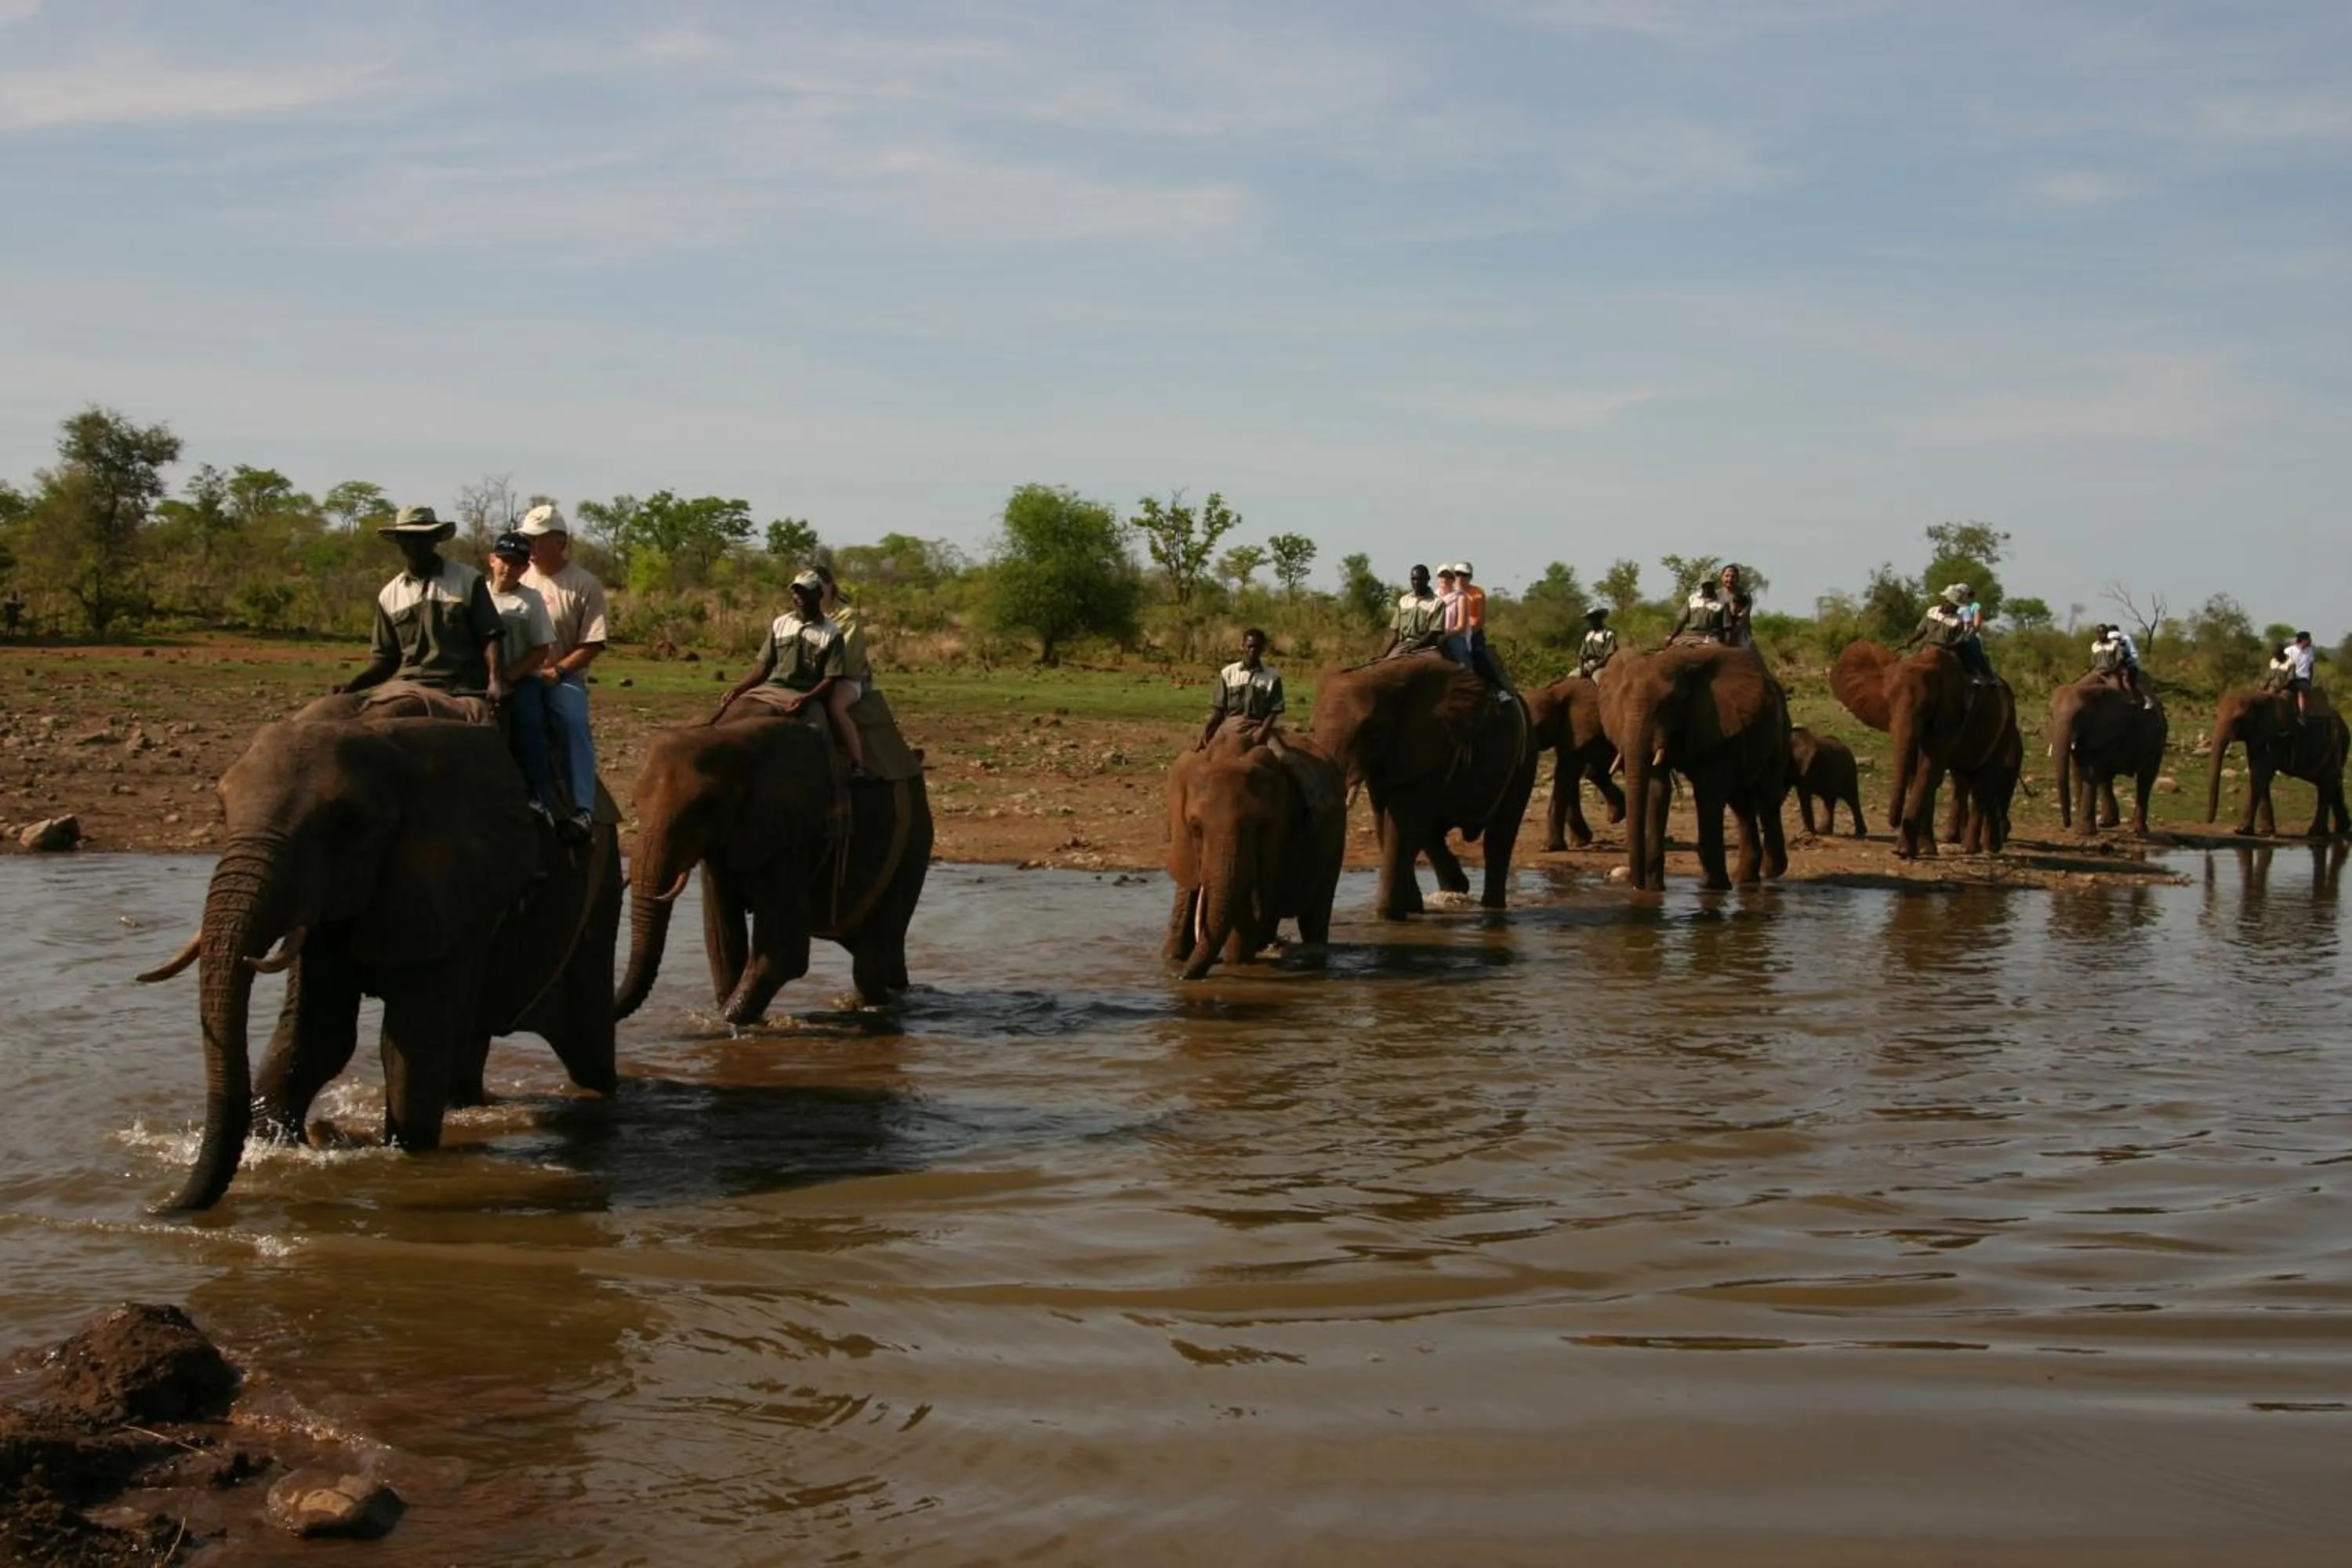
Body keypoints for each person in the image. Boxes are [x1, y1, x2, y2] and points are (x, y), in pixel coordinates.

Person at [339, 504, 506, 705]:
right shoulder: (390, 594)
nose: (416, 545)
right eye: (409, 538)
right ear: (399, 542)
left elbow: (490, 636)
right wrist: (350, 687)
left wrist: (495, 681)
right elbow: (386, 660)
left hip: (461, 686)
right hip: (407, 686)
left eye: (423, 537)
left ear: (435, 539)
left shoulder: (467, 580)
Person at [517, 505, 610, 831]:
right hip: (515, 675)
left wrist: (557, 672)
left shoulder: (584, 584)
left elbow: (593, 642)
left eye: (538, 539)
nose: (530, 546)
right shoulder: (516, 577)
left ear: (560, 542)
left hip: (560, 679)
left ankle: (582, 809)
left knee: (572, 721)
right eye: (526, 539)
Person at [716, 571, 864, 773]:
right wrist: (738, 689)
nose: (799, 598)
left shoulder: (832, 633)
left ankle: (841, 775)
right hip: (771, 688)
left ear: (818, 595)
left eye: (805, 593)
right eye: (796, 592)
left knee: (819, 737)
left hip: (806, 693)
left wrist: (807, 698)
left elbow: (831, 678)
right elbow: (763, 667)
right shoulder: (780, 623)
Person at [483, 532, 568, 826]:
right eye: (504, 560)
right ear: (492, 560)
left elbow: (541, 648)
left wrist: (508, 676)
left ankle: (539, 796)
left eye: (517, 563)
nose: (509, 567)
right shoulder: (476, 595)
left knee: (529, 723)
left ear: (524, 568)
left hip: (520, 677)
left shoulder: (530, 600)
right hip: (478, 677)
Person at [810, 562, 870, 775]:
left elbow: (849, 659)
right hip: (811, 676)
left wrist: (824, 675)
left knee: (836, 705)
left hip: (846, 678)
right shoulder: (801, 616)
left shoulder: (848, 616)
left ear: (829, 586)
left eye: (817, 585)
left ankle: (858, 763)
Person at [1200, 626, 1284, 748]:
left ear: (1263, 649)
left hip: (1257, 726)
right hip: (1230, 727)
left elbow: (1274, 710)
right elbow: (1218, 711)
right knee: (1206, 757)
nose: (1253, 650)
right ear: (1243, 646)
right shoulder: (1228, 673)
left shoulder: (1272, 677)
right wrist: (1207, 732)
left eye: (1257, 647)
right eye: (1250, 646)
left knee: (1284, 757)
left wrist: (1262, 732)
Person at [1443, 561, 1512, 697]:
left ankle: (1499, 689)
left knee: (1479, 655)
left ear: (1470, 577)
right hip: (1452, 633)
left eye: (1464, 575)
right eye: (1457, 574)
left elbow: (1479, 620)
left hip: (1472, 632)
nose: (1460, 578)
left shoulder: (1477, 593)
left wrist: (1467, 634)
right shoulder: (1448, 593)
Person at [1380, 564, 1443, 658]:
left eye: (1420, 579)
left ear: (1428, 579)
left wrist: (1414, 647)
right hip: (1403, 646)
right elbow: (1395, 632)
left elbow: (1434, 633)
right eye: (1414, 579)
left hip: (1427, 648)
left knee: (1437, 666)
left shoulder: (1437, 602)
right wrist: (1384, 655)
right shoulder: (1404, 600)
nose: (1417, 582)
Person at [2087, 623, 2151, 710]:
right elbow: (2094, 661)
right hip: (2098, 670)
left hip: (2117, 667)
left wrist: (2111, 669)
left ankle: (2136, 699)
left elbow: (2120, 660)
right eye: (2099, 633)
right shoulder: (2095, 646)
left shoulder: (2119, 643)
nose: (2101, 635)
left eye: (2103, 633)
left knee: (2126, 682)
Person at [1668, 579, 1725, 645]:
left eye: (1710, 585)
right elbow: (1681, 620)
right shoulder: (1693, 599)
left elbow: (1726, 626)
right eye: (1705, 585)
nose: (1707, 588)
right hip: (1691, 636)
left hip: (1711, 637)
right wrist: (1671, 636)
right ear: (1702, 586)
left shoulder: (1722, 602)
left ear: (1713, 586)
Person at [1717, 564, 1755, 649]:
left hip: (1740, 631)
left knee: (1748, 653)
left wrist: (1732, 632)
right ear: (1722, 577)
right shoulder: (1717, 595)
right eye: (1727, 576)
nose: (1729, 579)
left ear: (1737, 579)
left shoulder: (1744, 595)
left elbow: (1743, 617)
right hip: (1720, 631)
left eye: (1733, 577)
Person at [2284, 630, 2317, 724]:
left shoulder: (2310, 651)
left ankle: (2302, 715)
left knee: (2302, 693)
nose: (2310, 641)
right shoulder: (2289, 651)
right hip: (2291, 677)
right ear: (2302, 640)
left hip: (2304, 678)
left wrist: (2310, 679)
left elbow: (2311, 666)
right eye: (2308, 639)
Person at [1577, 606, 1617, 678]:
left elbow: (1608, 656)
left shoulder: (1608, 634)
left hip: (1600, 666)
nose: (1591, 621)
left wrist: (1594, 668)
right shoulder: (1588, 635)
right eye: (1590, 619)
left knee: (1597, 681)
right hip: (1586, 665)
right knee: (1570, 678)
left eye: (1593, 618)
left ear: (1599, 618)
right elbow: (1581, 655)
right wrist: (1581, 668)